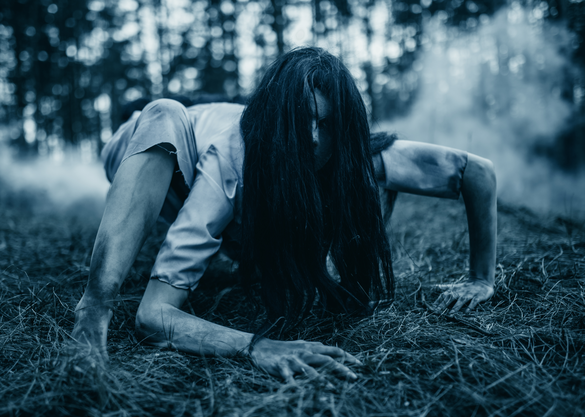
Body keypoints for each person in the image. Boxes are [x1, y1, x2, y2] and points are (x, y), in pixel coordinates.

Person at [70, 47, 496, 381]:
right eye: (301, 120)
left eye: (326, 124)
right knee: (163, 111)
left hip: (233, 129)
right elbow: (154, 314)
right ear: (280, 122)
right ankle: (94, 308)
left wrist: (482, 279)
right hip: (143, 143)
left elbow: (475, 171)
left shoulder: (353, 155)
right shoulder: (230, 160)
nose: (312, 138)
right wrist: (258, 346)